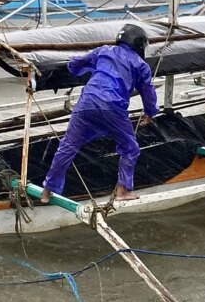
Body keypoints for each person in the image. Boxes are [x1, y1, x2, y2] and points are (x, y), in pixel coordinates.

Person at [41, 24, 158, 203]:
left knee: (68, 146)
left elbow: (75, 64)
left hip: (86, 103)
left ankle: (47, 190)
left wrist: (70, 68)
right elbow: (148, 92)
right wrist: (150, 113)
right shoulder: (140, 64)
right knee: (130, 148)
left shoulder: (103, 51)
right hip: (112, 106)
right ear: (140, 44)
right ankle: (122, 191)